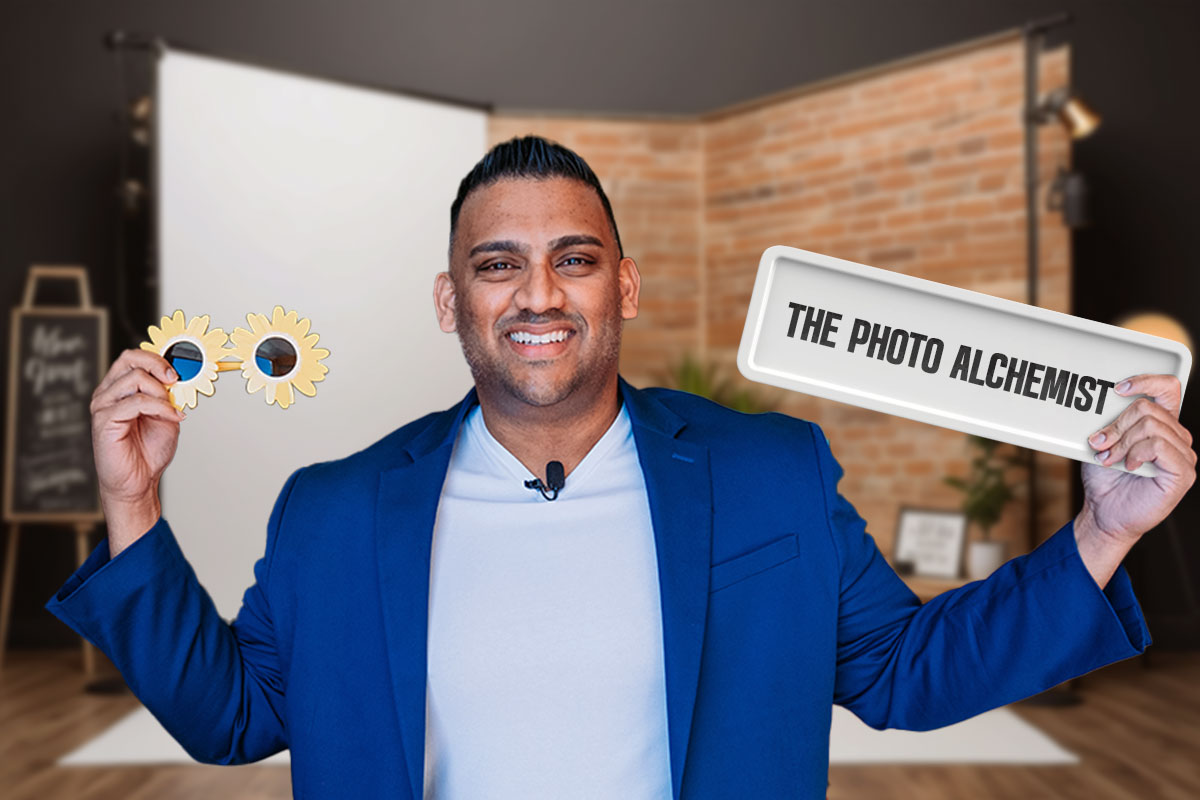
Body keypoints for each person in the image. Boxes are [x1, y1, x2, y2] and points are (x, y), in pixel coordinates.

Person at [53, 137, 1194, 800]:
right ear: (454, 302)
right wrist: (132, 500)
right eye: (499, 265)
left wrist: (1105, 531)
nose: (538, 294)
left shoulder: (770, 474)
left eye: (574, 259)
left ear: (623, 287)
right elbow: (233, 715)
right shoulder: (333, 509)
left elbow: (905, 671)